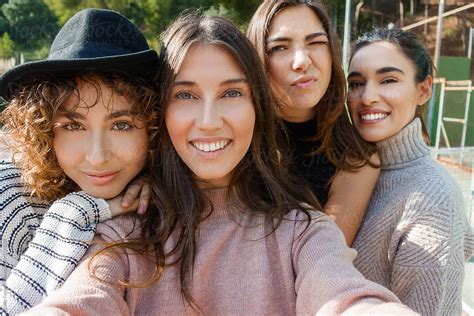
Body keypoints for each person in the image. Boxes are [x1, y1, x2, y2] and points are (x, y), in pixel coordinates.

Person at [25, 12, 418, 315]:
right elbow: (81, 301)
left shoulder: (303, 232)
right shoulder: (124, 231)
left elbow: (346, 296)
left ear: (257, 108)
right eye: (185, 96)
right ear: (159, 112)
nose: (209, 120)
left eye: (231, 92)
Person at [0, 8, 159, 314]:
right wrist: (78, 211)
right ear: (44, 129)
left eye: (122, 124)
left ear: (154, 128)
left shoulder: (166, 199)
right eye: (73, 126)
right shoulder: (9, 195)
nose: (97, 157)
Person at [346, 27, 474, 315]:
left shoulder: (433, 197)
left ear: (424, 89)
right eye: (356, 83)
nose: (367, 97)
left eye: (388, 80)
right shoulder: (342, 169)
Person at [247, 0, 380, 245]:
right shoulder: (237, 142)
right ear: (257, 60)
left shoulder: (356, 158)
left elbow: (326, 253)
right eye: (279, 47)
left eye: (316, 43)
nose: (302, 61)